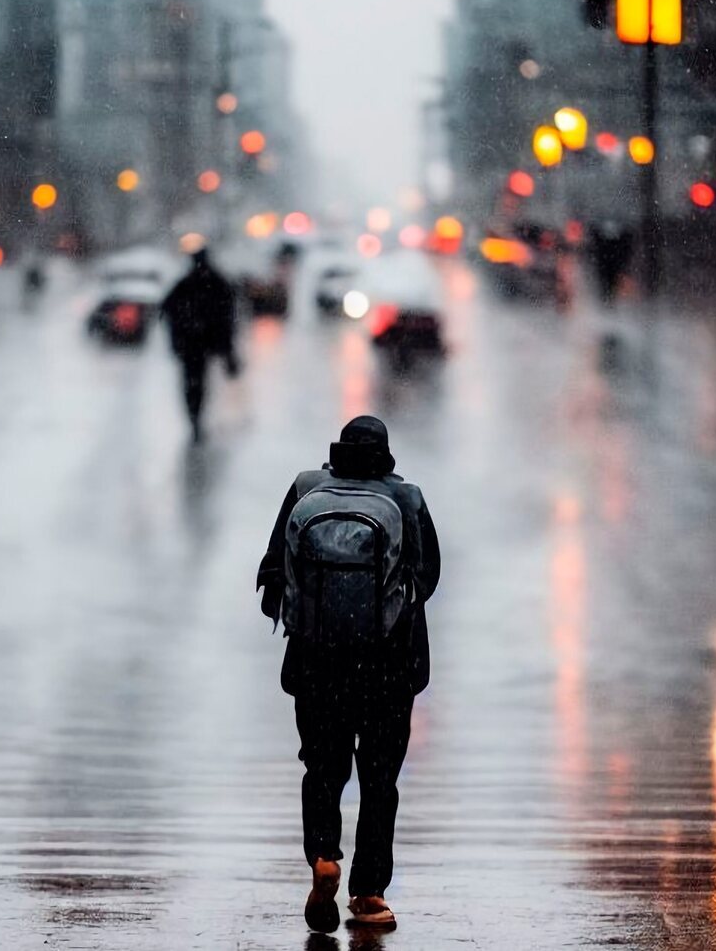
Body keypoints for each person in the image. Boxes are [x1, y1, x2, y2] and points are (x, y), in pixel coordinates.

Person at [256, 416, 440, 933]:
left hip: (317, 666)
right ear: (386, 455)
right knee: (380, 781)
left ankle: (322, 858)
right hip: (386, 667)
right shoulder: (407, 501)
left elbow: (273, 571)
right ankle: (370, 894)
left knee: (321, 769)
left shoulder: (304, 490)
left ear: (336, 452)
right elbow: (426, 578)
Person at [160, 247, 239, 441]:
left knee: (193, 384)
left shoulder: (190, 284)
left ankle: (195, 419)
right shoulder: (213, 283)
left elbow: (166, 309)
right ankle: (196, 419)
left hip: (194, 346)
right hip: (199, 345)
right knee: (197, 384)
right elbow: (228, 316)